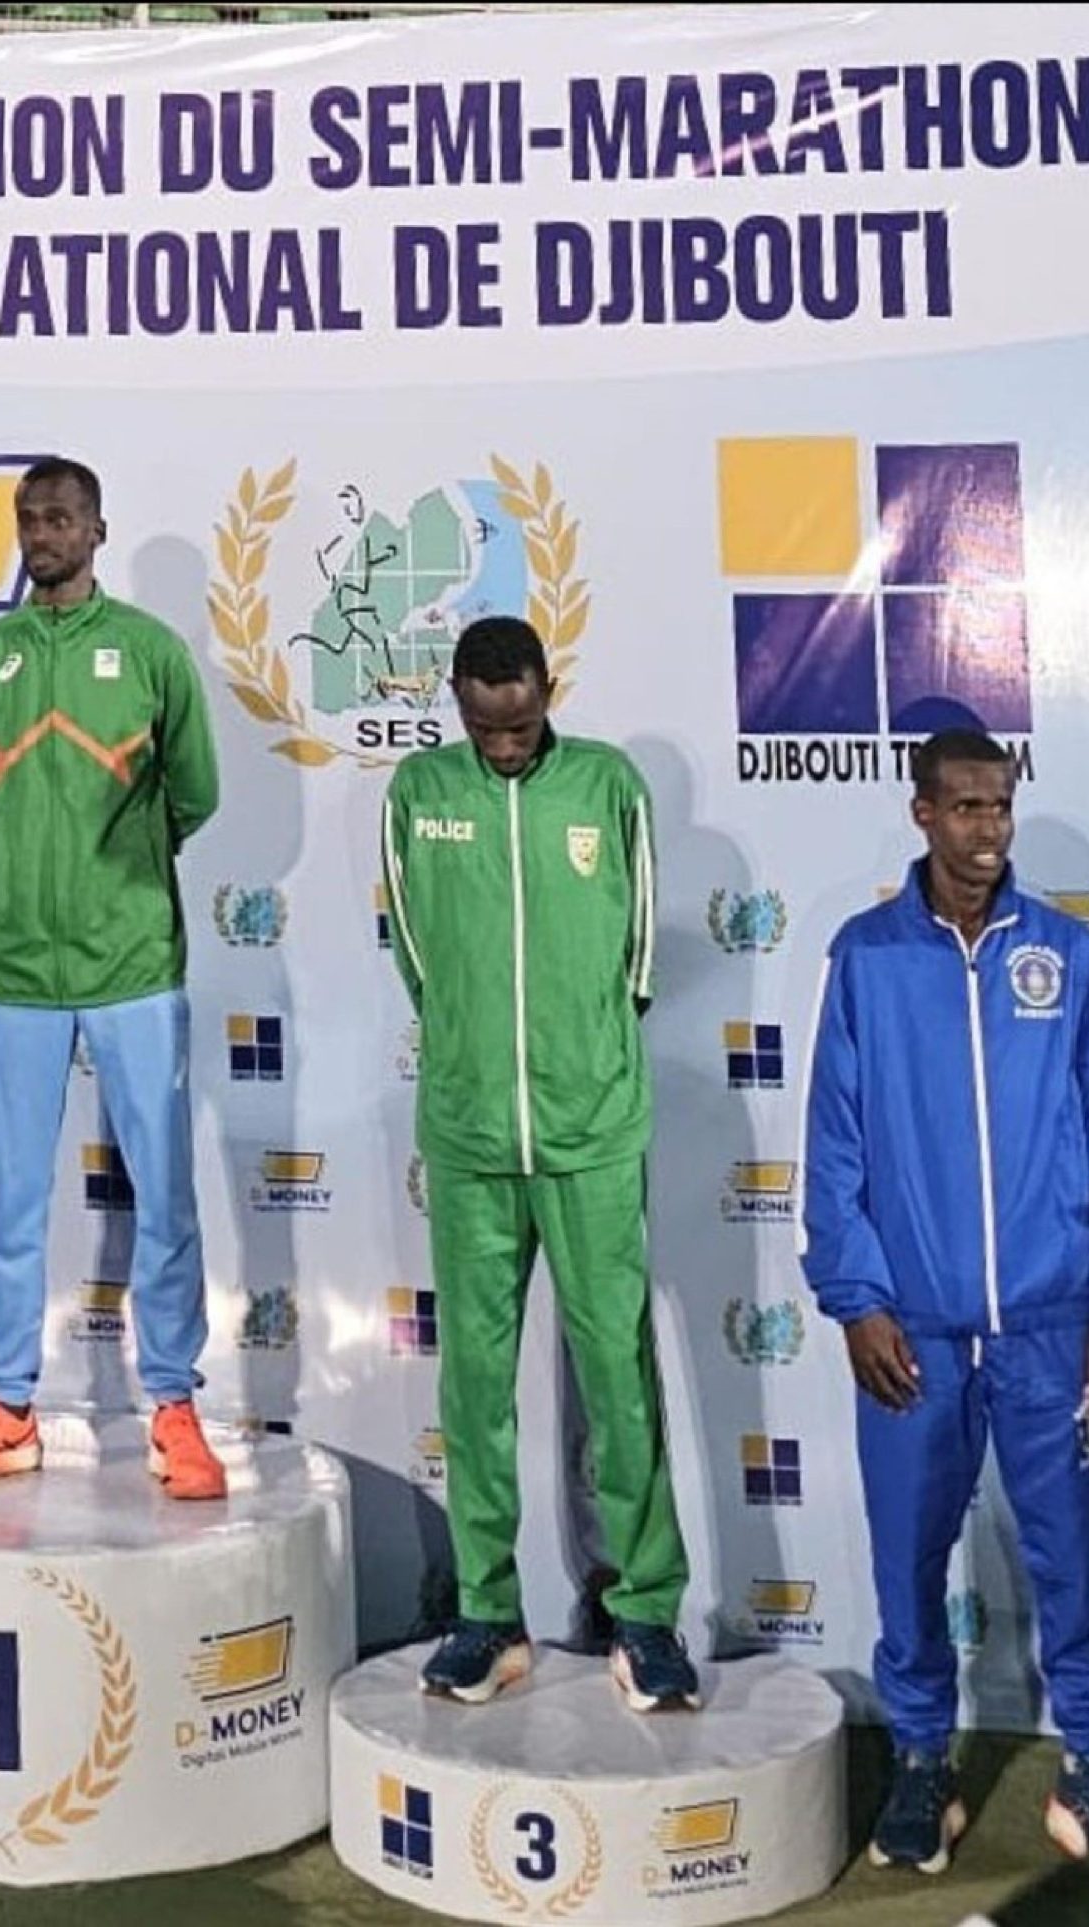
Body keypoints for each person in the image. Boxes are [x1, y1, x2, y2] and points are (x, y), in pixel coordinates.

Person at [802, 731, 1089, 1888]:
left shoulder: (1065, 954)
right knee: (910, 1560)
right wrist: (857, 1300)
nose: (986, 830)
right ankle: (918, 1759)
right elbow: (835, 1145)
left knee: (1076, 1561)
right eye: (963, 806)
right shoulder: (866, 958)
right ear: (920, 812)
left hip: (1055, 1326)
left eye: (999, 806)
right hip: (916, 1330)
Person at [380, 615, 698, 1711]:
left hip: (592, 1132)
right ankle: (486, 1610)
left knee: (618, 1375)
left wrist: (579, 1065)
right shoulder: (419, 793)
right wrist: (477, 1061)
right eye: (483, 727)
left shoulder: (607, 786)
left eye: (519, 726)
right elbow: (420, 959)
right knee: (474, 1386)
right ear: (458, 705)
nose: (504, 745)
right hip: (470, 1138)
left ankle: (646, 1610)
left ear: (547, 692)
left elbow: (640, 957)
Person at [0, 458, 225, 1500]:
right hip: (16, 968)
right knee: (10, 1198)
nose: (40, 531)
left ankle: (175, 1404)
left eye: (59, 516)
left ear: (98, 527)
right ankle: (7, 1407)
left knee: (165, 1195)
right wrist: (29, 887)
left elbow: (196, 791)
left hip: (133, 962)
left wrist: (121, 883)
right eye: (27, 517)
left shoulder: (147, 652)